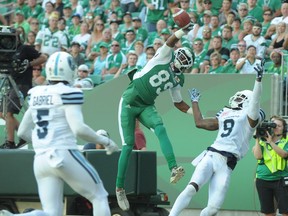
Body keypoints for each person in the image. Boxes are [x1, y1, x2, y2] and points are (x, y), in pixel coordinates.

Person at [0, 51, 119, 216]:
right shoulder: (69, 93)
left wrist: (43, 144)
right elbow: (79, 129)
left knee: (51, 213)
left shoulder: (37, 94)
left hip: (41, 159)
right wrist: (105, 141)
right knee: (99, 196)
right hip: (63, 153)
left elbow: (22, 131)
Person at [169, 60, 266, 216]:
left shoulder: (249, 119)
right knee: (191, 188)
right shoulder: (226, 112)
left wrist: (258, 80)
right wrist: (194, 103)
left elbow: (255, 101)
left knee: (213, 209)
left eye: (241, 96)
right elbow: (199, 123)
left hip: (227, 163)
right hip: (212, 154)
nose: (237, 98)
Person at [116, 22, 195, 211]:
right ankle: (119, 187)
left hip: (145, 105)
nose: (180, 65)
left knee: (160, 127)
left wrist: (195, 112)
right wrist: (181, 31)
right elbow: (169, 41)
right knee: (127, 145)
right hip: (129, 101)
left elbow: (178, 102)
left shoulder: (178, 79)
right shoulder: (164, 56)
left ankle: (174, 168)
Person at [0, 28, 47, 149]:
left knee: (9, 113)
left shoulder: (25, 48)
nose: (6, 40)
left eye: (9, 37)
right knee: (2, 113)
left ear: (17, 37)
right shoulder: (5, 49)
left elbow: (43, 57)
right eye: (4, 37)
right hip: (10, 82)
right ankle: (23, 136)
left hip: (22, 84)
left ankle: (10, 142)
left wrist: (29, 64)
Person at [252, 115, 288, 216]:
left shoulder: (286, 140)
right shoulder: (262, 140)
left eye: (278, 126)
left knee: (286, 211)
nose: (275, 127)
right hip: (263, 180)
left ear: (284, 128)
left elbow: (284, 154)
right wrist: (257, 139)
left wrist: (271, 142)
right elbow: (258, 156)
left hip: (281, 179)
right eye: (273, 125)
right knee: (268, 212)